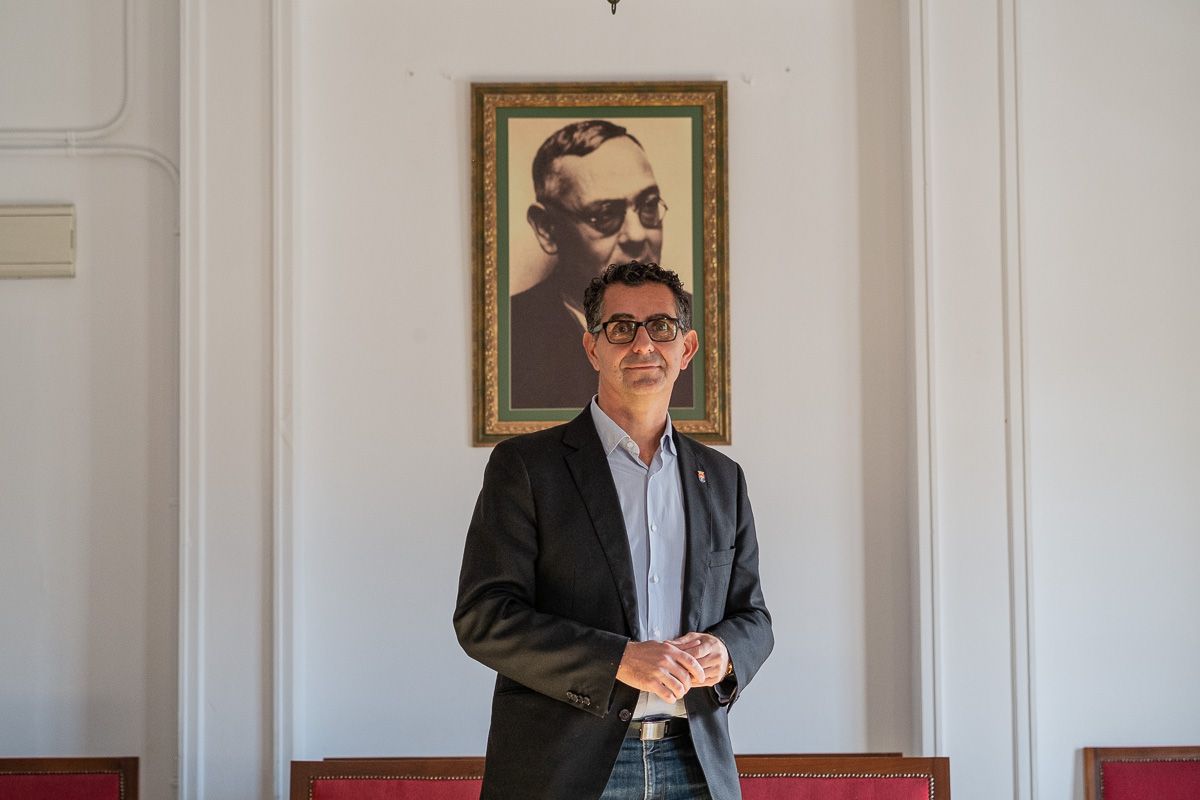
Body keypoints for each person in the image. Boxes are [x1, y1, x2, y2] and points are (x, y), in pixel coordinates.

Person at [456, 261, 772, 799]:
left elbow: (754, 617)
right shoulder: (527, 468)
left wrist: (725, 650)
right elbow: (485, 619)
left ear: (687, 348)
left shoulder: (722, 479)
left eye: (661, 327)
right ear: (592, 348)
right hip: (566, 769)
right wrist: (619, 660)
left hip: (694, 763)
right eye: (621, 327)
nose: (643, 343)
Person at [511, 120, 694, 410]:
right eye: (605, 215)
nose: (636, 234)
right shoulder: (515, 330)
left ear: (687, 349)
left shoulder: (696, 321)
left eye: (648, 205)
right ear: (547, 228)